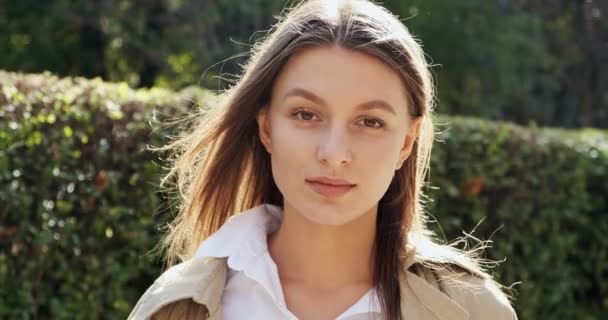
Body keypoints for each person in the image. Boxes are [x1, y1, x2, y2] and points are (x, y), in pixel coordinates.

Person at [128, 0, 518, 319]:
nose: (333, 155)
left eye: (370, 121)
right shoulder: (177, 307)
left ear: (406, 142)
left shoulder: (472, 310)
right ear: (266, 128)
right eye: (306, 115)